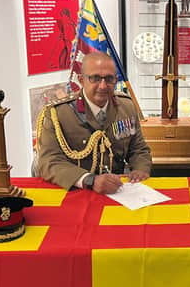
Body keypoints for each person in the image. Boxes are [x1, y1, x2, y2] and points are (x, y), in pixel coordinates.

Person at [34, 52, 152, 194]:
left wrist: (140, 169)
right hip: (75, 190)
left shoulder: (126, 107)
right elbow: (49, 161)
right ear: (81, 80)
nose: (103, 86)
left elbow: (138, 149)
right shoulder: (57, 114)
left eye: (109, 79)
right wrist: (89, 180)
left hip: (117, 191)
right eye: (95, 78)